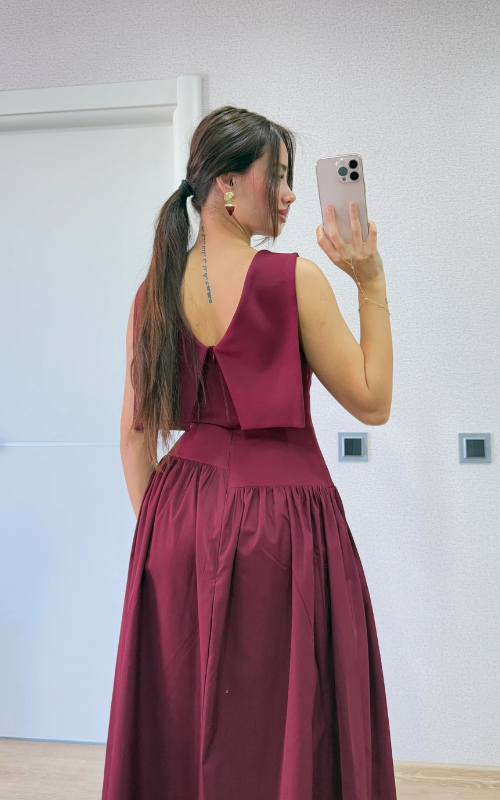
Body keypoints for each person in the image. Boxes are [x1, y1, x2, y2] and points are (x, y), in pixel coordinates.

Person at [101, 105, 395, 800]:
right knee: (285, 716)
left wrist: (167, 537)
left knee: (187, 711)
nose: (290, 194)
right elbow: (372, 400)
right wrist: (371, 281)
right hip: (282, 525)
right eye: (278, 176)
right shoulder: (294, 279)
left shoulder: (153, 292)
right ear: (227, 185)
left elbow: (134, 436)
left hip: (176, 520)